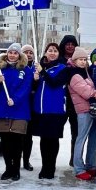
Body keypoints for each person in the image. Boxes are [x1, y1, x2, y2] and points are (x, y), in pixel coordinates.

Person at [0, 43, 34, 181]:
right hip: (2, 109)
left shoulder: (25, 70)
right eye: (10, 52)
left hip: (19, 110)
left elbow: (26, 88)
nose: (12, 55)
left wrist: (15, 99)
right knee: (5, 142)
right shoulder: (0, 68)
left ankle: (16, 169)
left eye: (15, 53)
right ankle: (8, 168)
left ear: (19, 55)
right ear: (7, 54)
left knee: (17, 141)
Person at [67, 47, 96, 180]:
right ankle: (79, 168)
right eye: (80, 59)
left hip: (93, 109)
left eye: (84, 59)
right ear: (74, 60)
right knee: (81, 138)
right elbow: (87, 92)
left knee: (94, 138)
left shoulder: (86, 72)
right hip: (84, 110)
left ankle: (91, 164)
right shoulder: (74, 75)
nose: (83, 62)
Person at [32, 43, 67, 179]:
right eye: (49, 50)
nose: (52, 53)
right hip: (41, 110)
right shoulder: (40, 68)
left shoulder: (63, 68)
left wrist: (42, 72)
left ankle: (50, 168)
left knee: (52, 140)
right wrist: (35, 79)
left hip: (56, 110)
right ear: (45, 53)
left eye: (55, 51)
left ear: (59, 54)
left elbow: (54, 83)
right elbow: (35, 88)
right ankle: (44, 167)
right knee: (44, 140)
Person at [59, 34, 79, 166]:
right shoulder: (58, 60)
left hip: (76, 101)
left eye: (72, 44)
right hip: (60, 100)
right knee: (55, 131)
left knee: (76, 132)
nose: (70, 46)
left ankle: (75, 158)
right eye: (67, 44)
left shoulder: (79, 61)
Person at [21, 44, 36, 172]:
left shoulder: (37, 68)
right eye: (25, 52)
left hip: (32, 106)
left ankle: (26, 160)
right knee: (18, 135)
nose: (28, 54)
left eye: (30, 52)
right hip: (19, 105)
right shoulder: (19, 67)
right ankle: (15, 159)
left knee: (28, 137)